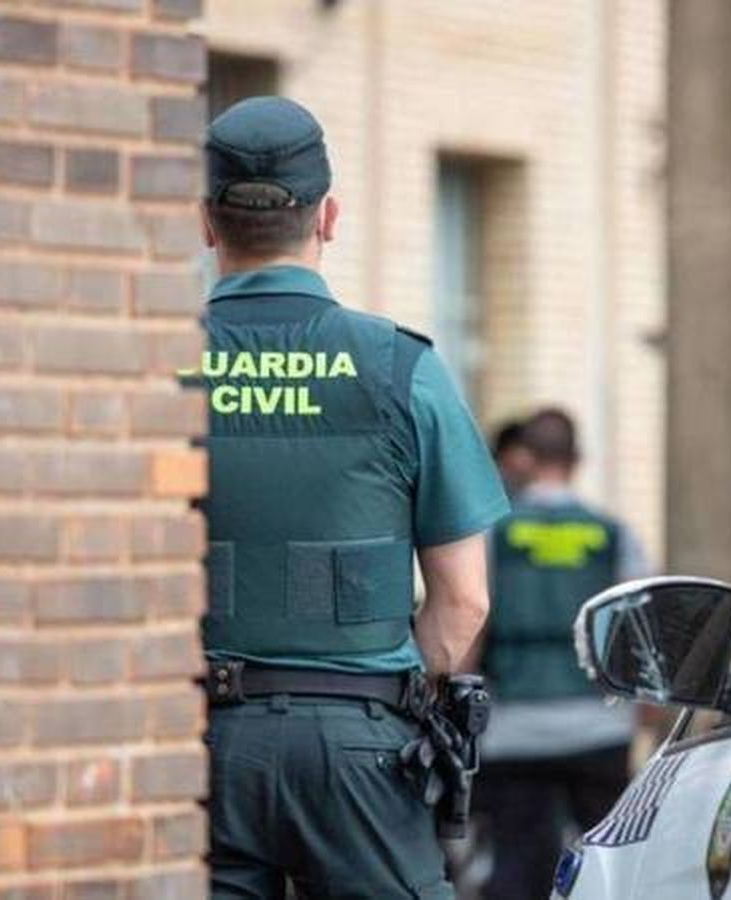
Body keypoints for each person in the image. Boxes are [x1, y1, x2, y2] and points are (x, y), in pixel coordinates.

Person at [192, 96, 509, 899]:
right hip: (361, 745)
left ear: (205, 222)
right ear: (328, 217)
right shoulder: (401, 368)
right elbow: (463, 603)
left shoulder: (157, 363)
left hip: (192, 746)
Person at [478, 408, 649, 900]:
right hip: (598, 726)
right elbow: (639, 628)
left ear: (526, 458)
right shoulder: (613, 535)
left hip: (514, 728)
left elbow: (471, 618)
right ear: (578, 460)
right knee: (610, 864)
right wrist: (648, 707)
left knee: (516, 860)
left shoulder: (495, 534)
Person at [491, 419, 535, 498]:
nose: (529, 459)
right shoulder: (495, 486)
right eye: (524, 452)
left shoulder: (522, 486)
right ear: (505, 452)